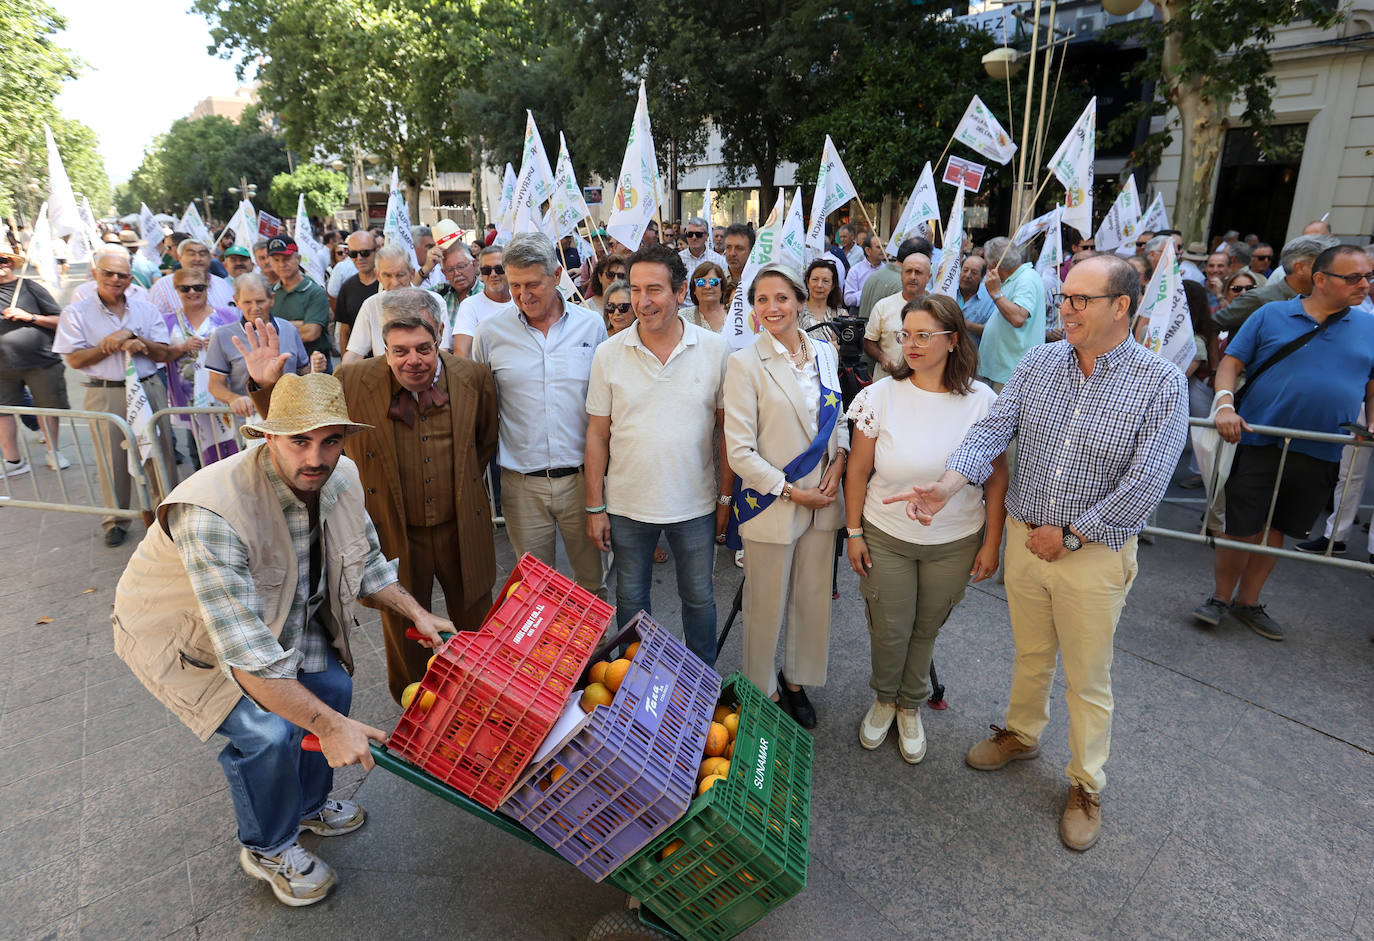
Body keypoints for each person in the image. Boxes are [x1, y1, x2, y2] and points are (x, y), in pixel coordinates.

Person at [111, 370, 451, 907]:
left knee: (333, 691)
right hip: (185, 636)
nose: (315, 457)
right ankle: (268, 845)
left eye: (330, 440)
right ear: (267, 437)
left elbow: (365, 563)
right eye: (299, 441)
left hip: (272, 611)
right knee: (267, 734)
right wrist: (330, 728)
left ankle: (310, 805)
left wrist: (417, 612)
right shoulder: (212, 512)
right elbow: (248, 660)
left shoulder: (341, 478)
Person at [889, 254, 1188, 852]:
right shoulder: (1042, 362)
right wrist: (948, 486)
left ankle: (1085, 783)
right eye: (1065, 298)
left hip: (1092, 552)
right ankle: (1022, 733)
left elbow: (1148, 480)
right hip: (1028, 541)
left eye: (1081, 300)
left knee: (1087, 677)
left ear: (1120, 306)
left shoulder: (1161, 381)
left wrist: (1073, 534)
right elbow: (992, 430)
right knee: (1031, 653)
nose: (1065, 309)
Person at [245, 291, 499, 702]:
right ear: (384, 347)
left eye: (422, 349)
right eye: (399, 351)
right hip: (394, 531)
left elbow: (484, 442)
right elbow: (301, 420)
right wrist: (266, 386)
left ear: (438, 340)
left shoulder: (474, 377)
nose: (411, 361)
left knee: (475, 620)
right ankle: (416, 710)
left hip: (461, 527)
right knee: (403, 630)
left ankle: (484, 701)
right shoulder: (353, 380)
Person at [845, 294, 1005, 760]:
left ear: (953, 340)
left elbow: (997, 478)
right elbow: (857, 471)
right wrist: (852, 532)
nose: (911, 345)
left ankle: (909, 705)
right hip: (886, 534)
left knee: (926, 627)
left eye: (923, 336)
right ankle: (883, 699)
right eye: (905, 335)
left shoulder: (982, 401)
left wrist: (992, 542)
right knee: (889, 626)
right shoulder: (880, 395)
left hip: (955, 539)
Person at [1194, 245, 1374, 641]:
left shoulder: (1370, 326)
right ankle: (1220, 598)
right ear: (1321, 279)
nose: (1365, 284)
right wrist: (1224, 406)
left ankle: (1248, 602)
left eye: (1368, 276)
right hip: (1258, 440)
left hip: (1322, 448)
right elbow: (1230, 364)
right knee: (1242, 526)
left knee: (1278, 528)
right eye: (1354, 277)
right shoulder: (1271, 314)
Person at [585, 243, 731, 665]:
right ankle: (634, 681)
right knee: (631, 601)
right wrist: (595, 505)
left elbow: (726, 432)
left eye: (654, 289)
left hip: (696, 505)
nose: (642, 302)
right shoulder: (608, 354)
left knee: (700, 599)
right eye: (635, 290)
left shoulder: (715, 350)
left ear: (680, 292)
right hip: (628, 506)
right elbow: (597, 435)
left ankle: (702, 683)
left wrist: (724, 499)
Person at [724, 263, 848, 728]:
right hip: (774, 501)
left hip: (825, 498)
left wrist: (838, 463)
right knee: (765, 603)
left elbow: (839, 419)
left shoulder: (823, 352)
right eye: (761, 300)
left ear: (799, 301)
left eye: (780, 298)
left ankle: (796, 679)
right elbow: (739, 452)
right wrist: (794, 492)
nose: (771, 307)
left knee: (812, 595)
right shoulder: (743, 363)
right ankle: (764, 689)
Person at [473, 233, 607, 598]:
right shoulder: (490, 333)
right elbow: (480, 405)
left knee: (593, 584)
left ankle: (599, 655)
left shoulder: (592, 326)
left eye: (533, 284)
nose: (523, 295)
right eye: (514, 285)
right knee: (533, 591)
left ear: (557, 274)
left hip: (582, 482)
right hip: (520, 485)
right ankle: (546, 656)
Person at [52, 246, 177, 546]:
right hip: (104, 392)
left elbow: (165, 352)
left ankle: (168, 517)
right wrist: (109, 345)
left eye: (122, 275)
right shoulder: (76, 313)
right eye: (108, 273)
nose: (115, 279)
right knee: (112, 460)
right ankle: (115, 520)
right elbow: (75, 360)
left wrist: (134, 338)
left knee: (159, 454)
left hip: (148, 388)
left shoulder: (145, 308)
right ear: (95, 274)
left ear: (131, 278)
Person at [207, 273, 318, 426]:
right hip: (249, 422)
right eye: (247, 302)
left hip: (292, 417)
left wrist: (316, 368)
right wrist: (233, 398)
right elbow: (215, 384)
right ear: (237, 301)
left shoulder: (289, 329)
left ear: (271, 299)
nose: (255, 308)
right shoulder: (223, 335)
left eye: (260, 301)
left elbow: (302, 370)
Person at [0, 248, 70, 474]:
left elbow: (61, 320)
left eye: (2, 260)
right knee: (3, 413)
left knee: (47, 409)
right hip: (3, 367)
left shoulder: (30, 287)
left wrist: (29, 316)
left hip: (41, 362)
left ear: (10, 262)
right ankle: (13, 461)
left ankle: (54, 452)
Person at [161, 267, 239, 467]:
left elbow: (241, 351)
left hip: (224, 397)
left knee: (231, 448)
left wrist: (217, 346)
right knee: (197, 450)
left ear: (207, 288)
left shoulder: (226, 317)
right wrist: (182, 347)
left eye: (198, 287)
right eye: (185, 288)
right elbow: (161, 355)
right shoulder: (168, 321)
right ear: (177, 290)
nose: (192, 292)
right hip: (189, 399)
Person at [1215, 234, 1339, 331]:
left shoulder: (1324, 300)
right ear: (1300, 268)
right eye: (1324, 264)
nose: (1332, 271)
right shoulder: (1260, 299)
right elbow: (1211, 325)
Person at [343, 244, 444, 361]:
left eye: (400, 275)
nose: (395, 283)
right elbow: (355, 353)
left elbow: (443, 351)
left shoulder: (434, 301)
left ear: (412, 273)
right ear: (378, 275)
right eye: (387, 275)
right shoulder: (371, 305)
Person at [977, 237, 1047, 392]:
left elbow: (1018, 317)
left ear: (994, 264)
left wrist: (996, 294)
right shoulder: (1014, 279)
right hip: (1000, 371)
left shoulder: (1026, 279)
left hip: (1010, 373)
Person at [266, 237, 332, 368]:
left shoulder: (315, 292)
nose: (281, 264)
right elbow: (261, 328)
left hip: (314, 367)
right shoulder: (269, 293)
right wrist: (299, 324)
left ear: (298, 259)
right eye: (276, 260)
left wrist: (276, 328)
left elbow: (311, 333)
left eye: (287, 259)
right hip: (281, 368)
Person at [864, 251, 931, 379]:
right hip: (888, 383)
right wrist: (882, 357)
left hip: (924, 383)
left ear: (929, 277)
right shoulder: (883, 306)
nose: (912, 277)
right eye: (908, 271)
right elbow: (868, 341)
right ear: (901, 274)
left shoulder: (938, 309)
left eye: (918, 272)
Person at [445, 245, 512, 358]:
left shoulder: (522, 301)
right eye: (486, 270)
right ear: (480, 272)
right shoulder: (470, 306)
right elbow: (461, 353)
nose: (493, 274)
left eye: (499, 269)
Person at [148, 239, 235, 316]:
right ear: (180, 257)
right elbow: (152, 321)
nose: (197, 259)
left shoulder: (222, 284)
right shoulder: (162, 286)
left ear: (210, 258)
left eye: (202, 254)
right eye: (191, 254)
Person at [333, 231, 381, 356]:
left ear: (376, 251)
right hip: (360, 364)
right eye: (353, 254)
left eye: (365, 253)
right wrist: (346, 368)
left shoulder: (389, 284)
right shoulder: (347, 288)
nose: (359, 258)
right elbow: (344, 332)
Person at [801, 258, 844, 346]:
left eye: (825, 281)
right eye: (815, 279)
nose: (819, 285)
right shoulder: (796, 312)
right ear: (807, 282)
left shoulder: (841, 315)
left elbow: (848, 346)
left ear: (833, 285)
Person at [957, 254, 996, 344]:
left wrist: (966, 324)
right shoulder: (948, 290)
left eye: (974, 272)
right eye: (965, 270)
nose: (967, 275)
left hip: (972, 353)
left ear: (982, 277)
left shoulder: (990, 298)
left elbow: (992, 332)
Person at [684, 261, 729, 334]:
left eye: (714, 282)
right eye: (701, 282)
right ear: (694, 290)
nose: (708, 286)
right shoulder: (683, 318)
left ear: (722, 287)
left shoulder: (734, 314)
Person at [843, 233, 886, 308]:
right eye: (878, 247)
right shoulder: (855, 270)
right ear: (868, 250)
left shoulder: (887, 270)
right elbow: (848, 299)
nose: (883, 250)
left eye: (884, 246)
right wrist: (868, 291)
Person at [583, 252, 627, 318]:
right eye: (610, 275)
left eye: (621, 276)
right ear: (600, 277)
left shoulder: (632, 305)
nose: (616, 280)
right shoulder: (585, 307)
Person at [410, 225, 444, 290]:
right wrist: (426, 269)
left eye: (435, 247)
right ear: (414, 248)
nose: (434, 251)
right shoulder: (405, 271)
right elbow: (407, 292)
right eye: (429, 247)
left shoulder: (439, 268)